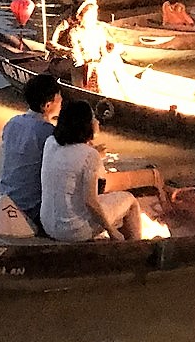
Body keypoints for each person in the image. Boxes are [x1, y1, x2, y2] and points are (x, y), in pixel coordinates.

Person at [38, 100, 145, 242]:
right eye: (93, 118)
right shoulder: (90, 155)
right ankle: (135, 248)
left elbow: (72, 158)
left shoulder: (50, 142)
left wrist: (92, 149)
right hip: (73, 230)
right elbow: (90, 202)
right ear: (86, 125)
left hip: (48, 224)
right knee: (130, 201)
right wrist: (112, 232)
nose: (97, 121)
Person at [0, 74, 62, 228]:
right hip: (32, 207)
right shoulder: (47, 132)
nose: (61, 102)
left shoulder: (12, 123)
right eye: (59, 98)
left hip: (6, 196)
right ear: (47, 105)